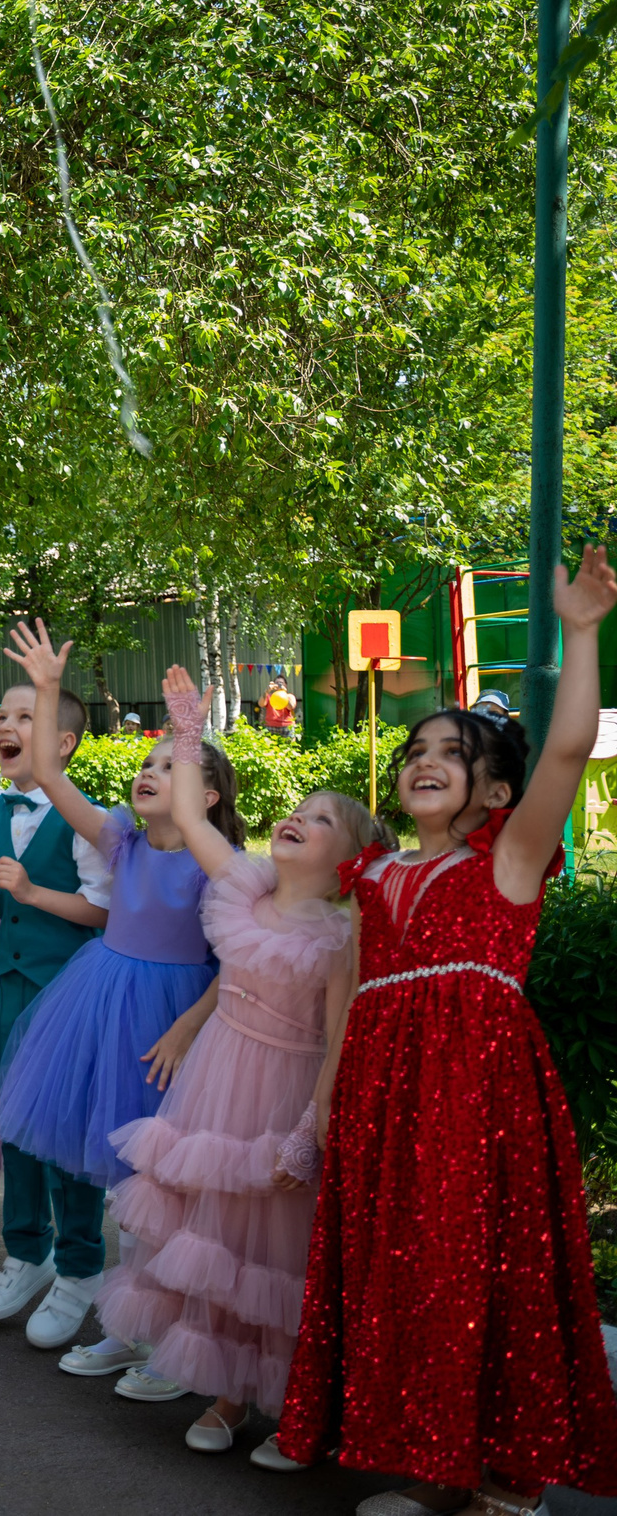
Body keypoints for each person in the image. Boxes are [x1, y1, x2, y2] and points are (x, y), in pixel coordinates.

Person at [278, 548, 617, 1513]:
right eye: (414, 752)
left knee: (474, 1267)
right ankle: (438, 1469)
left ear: (496, 795)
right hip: (388, 1096)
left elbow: (564, 748)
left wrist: (580, 632)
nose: (426, 760)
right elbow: (350, 1000)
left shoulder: (508, 861)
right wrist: (327, 1103)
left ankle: (498, 1479)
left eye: (452, 754)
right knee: (407, 1274)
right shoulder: (374, 879)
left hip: (477, 1096)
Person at [95, 668, 392, 1454]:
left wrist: (309, 1127)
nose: (299, 817)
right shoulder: (244, 890)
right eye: (299, 809)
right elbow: (194, 820)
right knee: (213, 1242)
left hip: (282, 1094)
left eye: (323, 819)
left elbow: (339, 1041)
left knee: (273, 1253)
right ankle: (227, 1393)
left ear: (351, 863)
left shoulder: (340, 938)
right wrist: (186, 737)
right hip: (215, 1083)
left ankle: (293, 1404)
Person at [0, 622, 228, 1358]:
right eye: (146, 760)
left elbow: (238, 962)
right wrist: (49, 689)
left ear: (207, 797)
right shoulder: (119, 838)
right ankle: (111, 1308)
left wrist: (188, 728)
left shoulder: (218, 864)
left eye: (169, 764)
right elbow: (57, 782)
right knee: (90, 1150)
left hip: (168, 1017)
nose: (149, 770)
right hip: (100, 1003)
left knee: (154, 1177)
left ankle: (150, 1321)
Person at [0, 661, 115, 1339]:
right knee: (15, 1125)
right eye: (1, 718)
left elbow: (105, 912)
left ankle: (80, 1270)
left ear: (64, 743)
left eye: (26, 717)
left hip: (71, 998)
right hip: (14, 992)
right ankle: (26, 1254)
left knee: (66, 1136)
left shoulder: (92, 820)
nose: (5, 727)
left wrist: (33, 893)